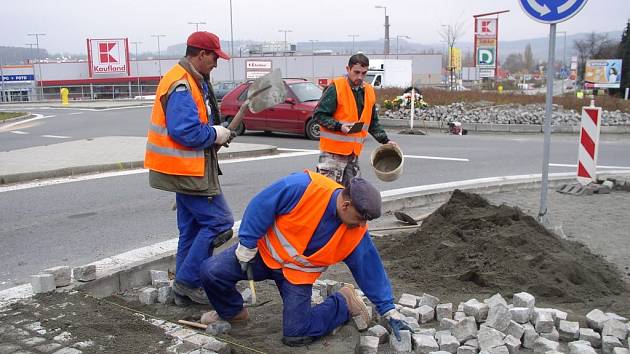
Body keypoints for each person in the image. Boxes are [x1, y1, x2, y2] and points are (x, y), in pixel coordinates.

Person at [198, 170, 409, 346]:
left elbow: (368, 268)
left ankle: (344, 302)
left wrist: (388, 308)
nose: (362, 226)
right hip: (263, 256)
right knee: (211, 271)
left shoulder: (356, 232)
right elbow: (261, 205)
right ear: (346, 205)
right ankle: (233, 312)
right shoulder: (304, 187)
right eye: (360, 218)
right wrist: (247, 243)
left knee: (296, 334)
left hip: (296, 276)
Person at [144, 31, 235, 305]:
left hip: (185, 168)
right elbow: (186, 131)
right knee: (220, 223)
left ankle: (182, 292)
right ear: (201, 54)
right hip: (188, 171)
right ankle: (187, 282)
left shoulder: (193, 79)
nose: (216, 64)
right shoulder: (182, 83)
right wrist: (215, 135)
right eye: (214, 58)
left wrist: (218, 132)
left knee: (193, 228)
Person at [315, 53, 398, 186]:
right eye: (356, 72)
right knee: (329, 196)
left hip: (353, 155)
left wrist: (386, 141)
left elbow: (372, 122)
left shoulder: (368, 91)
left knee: (352, 197)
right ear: (348, 69)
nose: (360, 77)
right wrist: (339, 126)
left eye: (364, 73)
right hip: (332, 155)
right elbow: (319, 115)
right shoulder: (336, 87)